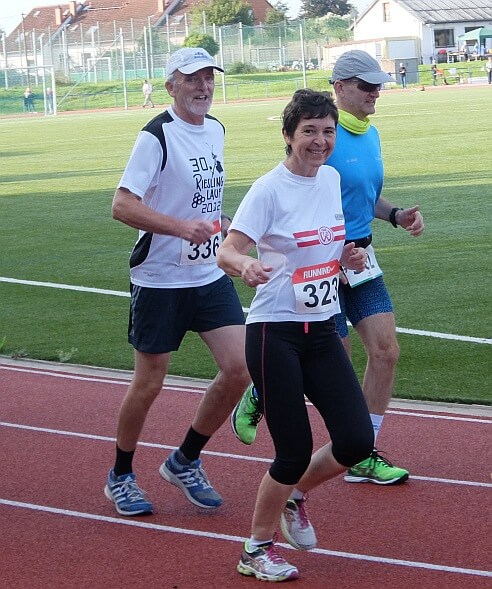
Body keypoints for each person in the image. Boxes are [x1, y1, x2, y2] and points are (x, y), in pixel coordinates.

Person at [232, 50, 425, 487]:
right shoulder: (318, 144)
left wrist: (396, 215)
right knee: (328, 360)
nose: (374, 91)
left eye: (377, 84)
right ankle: (261, 391)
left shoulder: (367, 135)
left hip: (358, 257)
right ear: (339, 88)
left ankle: (364, 453)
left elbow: (362, 197)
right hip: (314, 267)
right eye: (365, 84)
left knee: (386, 351)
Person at [217, 89, 374, 582]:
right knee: (292, 450)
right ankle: (255, 550)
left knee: (355, 439)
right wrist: (246, 266)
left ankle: (295, 494)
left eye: (327, 131)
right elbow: (228, 250)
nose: (320, 141)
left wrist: (346, 259)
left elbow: (326, 242)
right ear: (288, 135)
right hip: (274, 333)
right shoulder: (268, 189)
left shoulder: (329, 179)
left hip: (323, 328)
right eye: (309, 131)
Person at [104, 47, 251, 517]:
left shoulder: (216, 130)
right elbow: (122, 205)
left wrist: (221, 223)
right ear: (171, 86)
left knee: (240, 367)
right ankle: (120, 475)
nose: (203, 87)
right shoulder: (156, 137)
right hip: (160, 279)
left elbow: (204, 202)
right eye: (192, 79)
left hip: (207, 274)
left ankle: (185, 459)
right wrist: (177, 226)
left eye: (209, 78)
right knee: (149, 381)